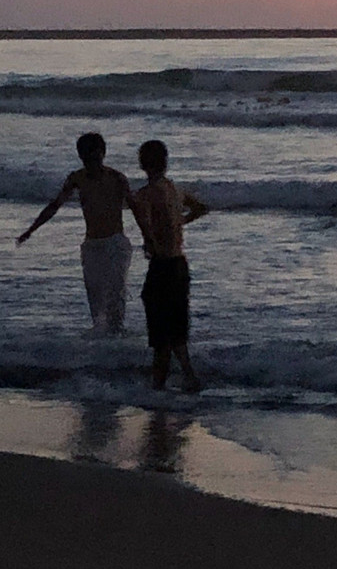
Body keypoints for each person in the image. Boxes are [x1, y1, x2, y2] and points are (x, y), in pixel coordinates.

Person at [16, 132, 137, 335]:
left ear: (103, 154)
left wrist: (151, 238)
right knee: (96, 297)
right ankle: (101, 342)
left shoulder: (117, 178)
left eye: (95, 157)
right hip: (92, 246)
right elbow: (55, 205)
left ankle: (118, 340)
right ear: (80, 157)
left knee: (116, 294)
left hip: (116, 243)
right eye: (87, 158)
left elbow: (137, 209)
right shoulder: (77, 178)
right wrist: (30, 230)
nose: (91, 163)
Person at [132, 140, 208, 392]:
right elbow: (201, 209)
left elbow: (146, 227)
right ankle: (184, 378)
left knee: (160, 332)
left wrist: (151, 240)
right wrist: (178, 224)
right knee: (176, 328)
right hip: (179, 263)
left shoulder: (146, 194)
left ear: (143, 163)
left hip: (162, 265)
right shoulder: (175, 189)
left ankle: (163, 385)